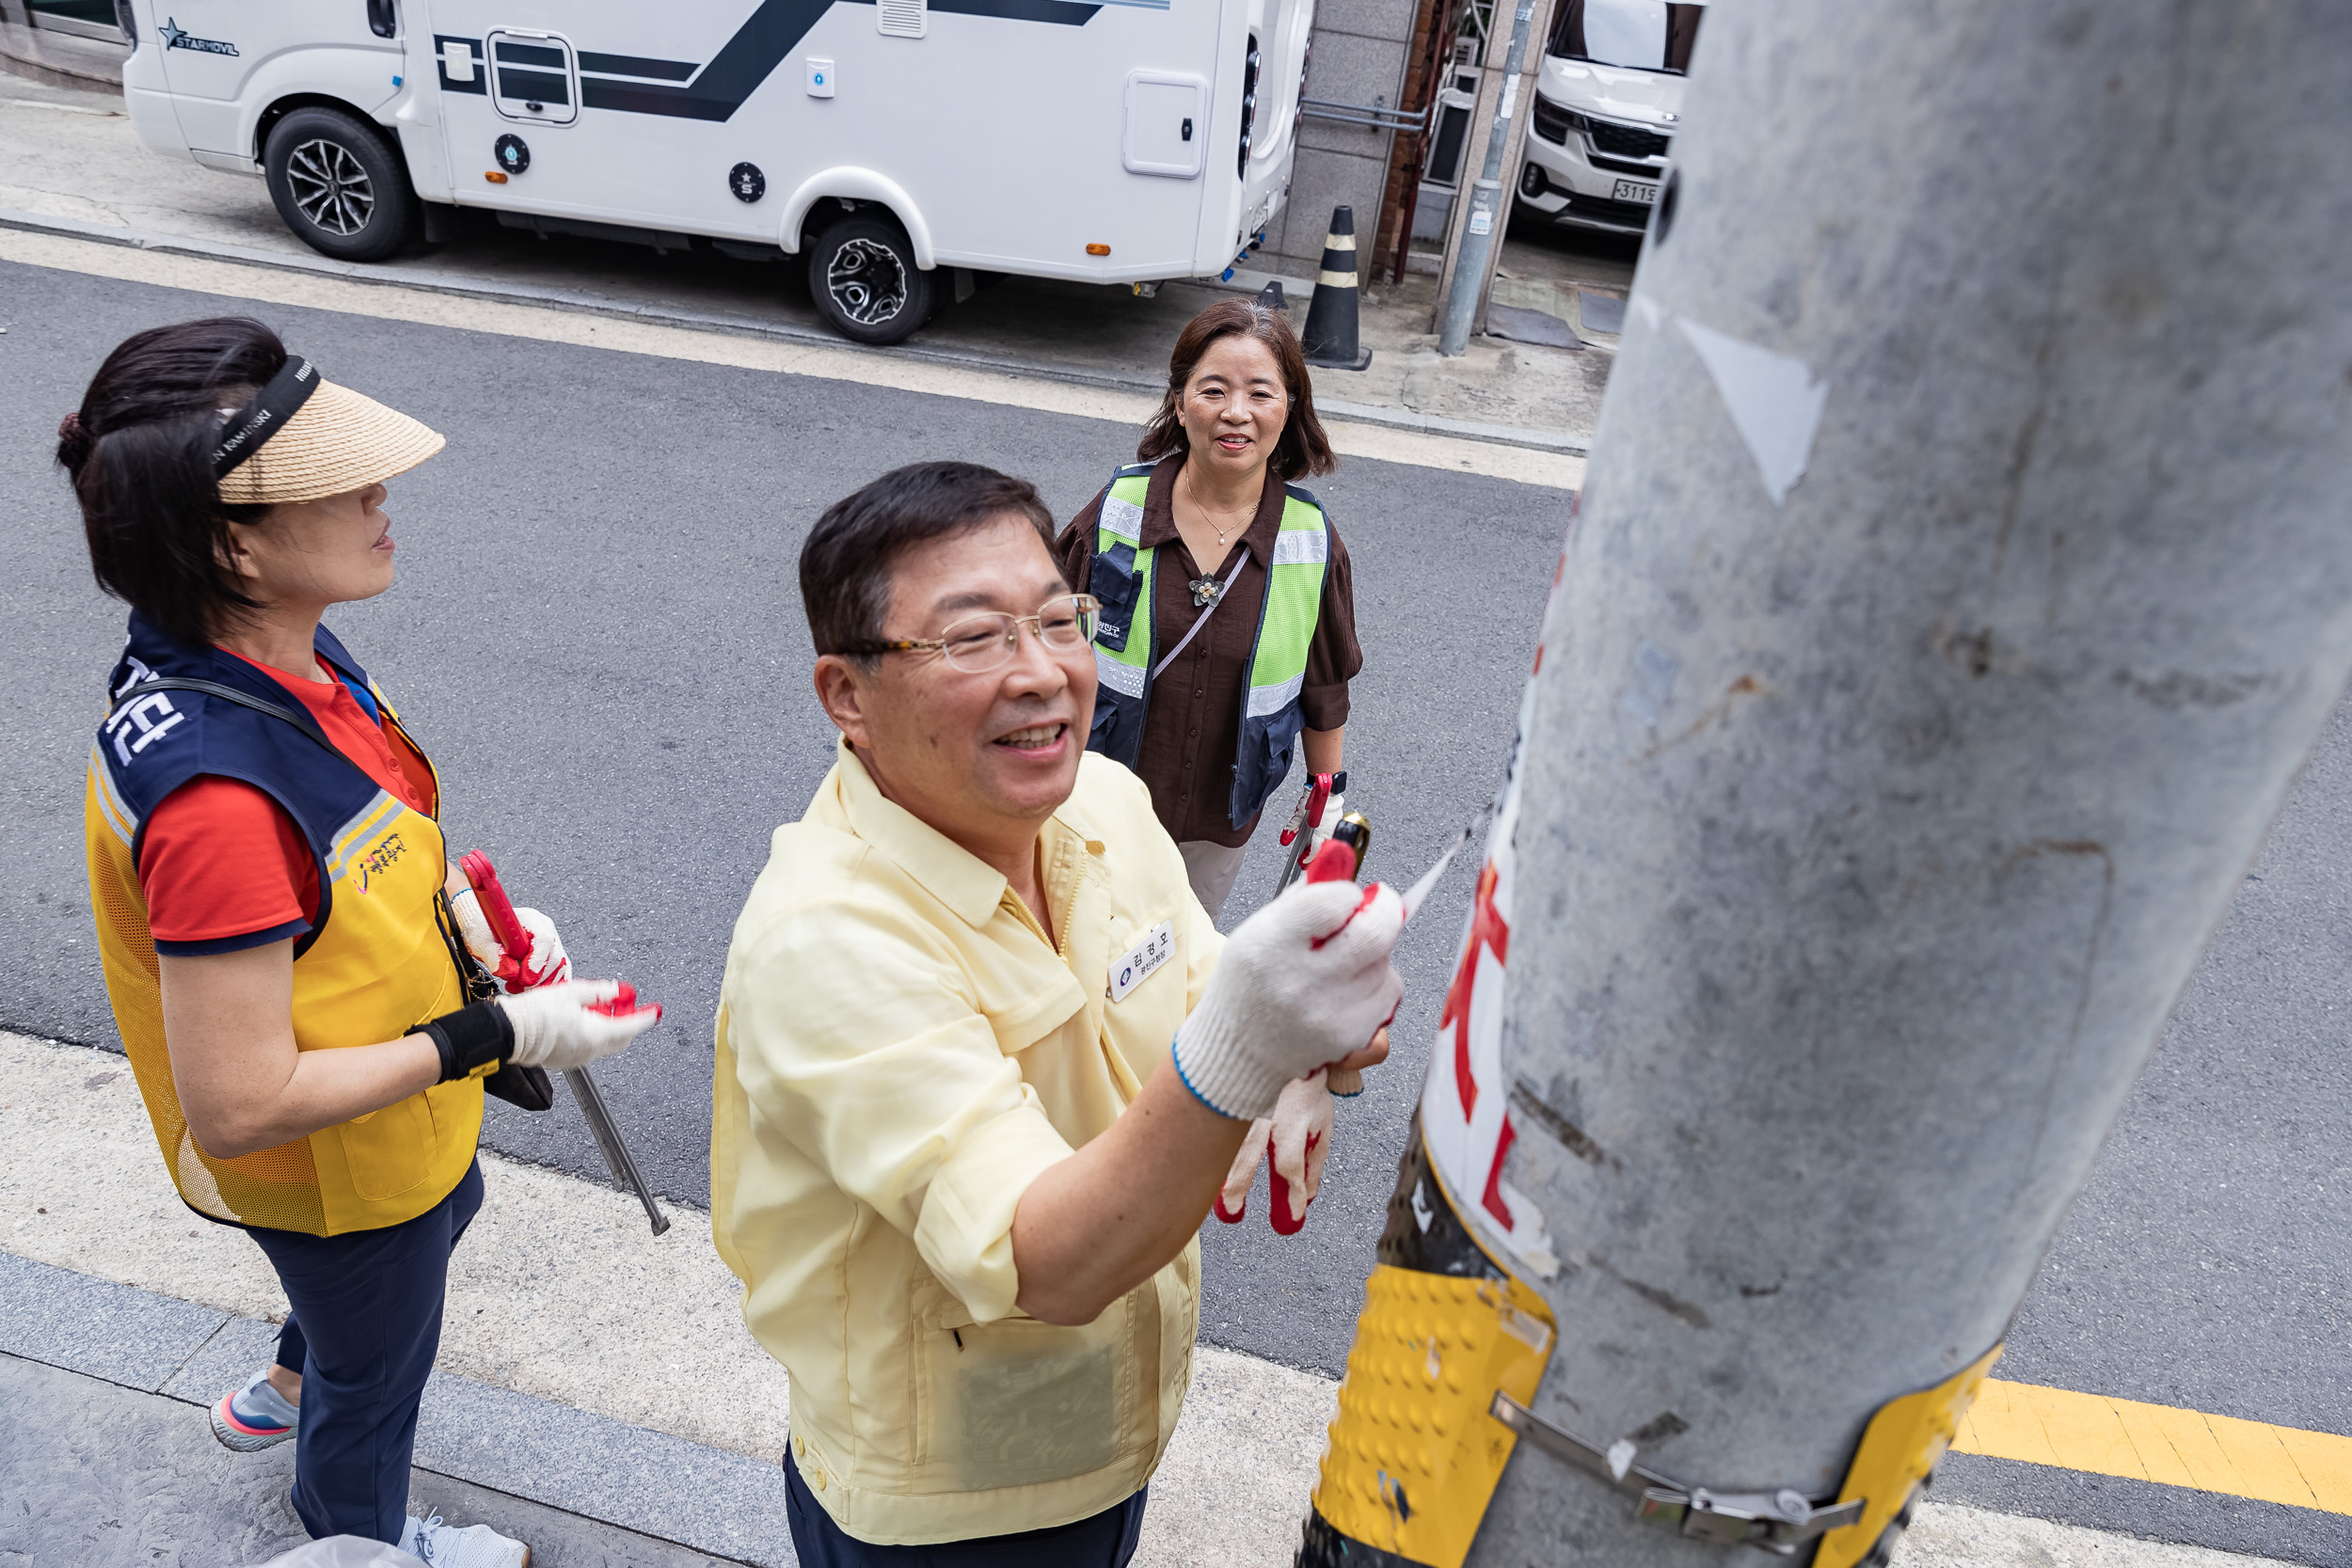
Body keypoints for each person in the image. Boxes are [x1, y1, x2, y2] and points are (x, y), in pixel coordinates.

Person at [710, 461, 1405, 1565]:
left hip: (1114, 1435)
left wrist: (1307, 1049)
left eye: (1058, 618)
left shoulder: (1103, 799)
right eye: (974, 637)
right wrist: (1249, 1046)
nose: (1041, 673)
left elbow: (1204, 990)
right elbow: (1049, 1260)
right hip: (951, 1500)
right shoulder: (826, 937)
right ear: (845, 693)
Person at [67, 318, 660, 1568]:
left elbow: (357, 847)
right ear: (231, 542)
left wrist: (472, 929)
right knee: (380, 1374)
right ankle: (362, 1531)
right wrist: (493, 1030)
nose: (377, 490)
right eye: (329, 479)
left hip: (390, 1129)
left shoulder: (276, 649)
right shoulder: (217, 797)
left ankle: (292, 1369)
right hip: (332, 1174)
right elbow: (239, 1104)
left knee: (452, 1212)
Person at [1057, 297, 1364, 927]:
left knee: (1172, 965)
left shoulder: (1311, 540)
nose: (1236, 412)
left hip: (1220, 822)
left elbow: (1325, 687)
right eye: (1214, 389)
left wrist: (1325, 801)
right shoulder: (1117, 509)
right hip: (1098, 801)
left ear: (1290, 409)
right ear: (1180, 402)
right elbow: (1047, 644)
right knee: (1081, 949)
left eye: (1260, 393)